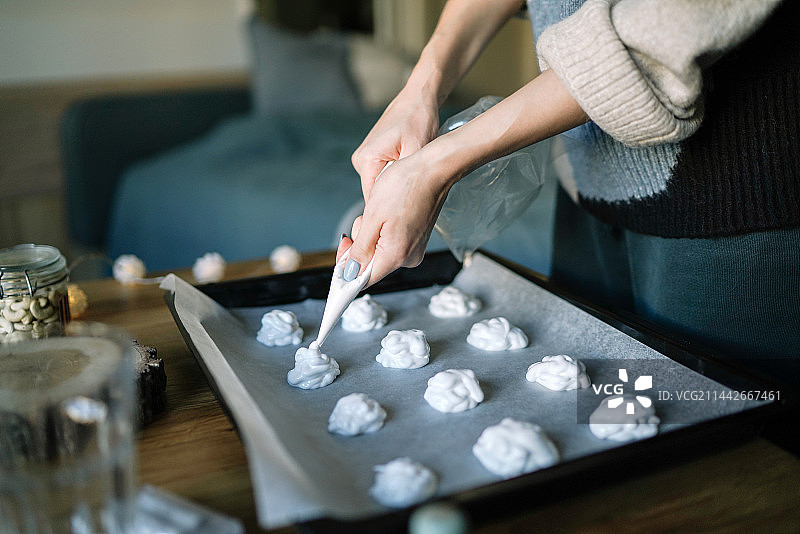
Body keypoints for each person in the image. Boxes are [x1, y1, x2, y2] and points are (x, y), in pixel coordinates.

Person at [336, 0, 799, 366]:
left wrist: (438, 165)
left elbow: (666, 27)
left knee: (725, 464)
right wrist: (420, 90)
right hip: (584, 191)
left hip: (735, 206)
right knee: (598, 414)